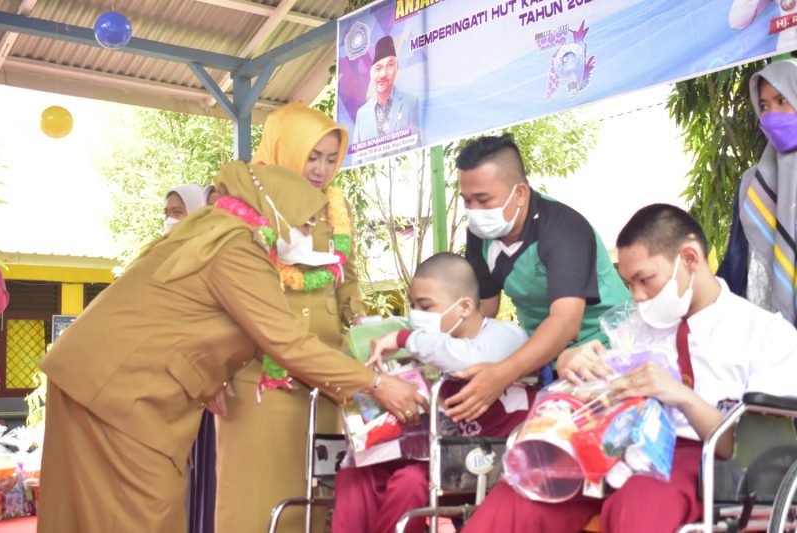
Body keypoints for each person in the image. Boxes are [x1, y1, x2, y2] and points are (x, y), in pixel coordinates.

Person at [36, 160, 425, 533]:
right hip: (119, 392)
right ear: (277, 210)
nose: (308, 235)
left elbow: (208, 321)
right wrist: (376, 384)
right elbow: (286, 342)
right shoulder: (237, 248)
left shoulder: (216, 230)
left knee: (93, 516)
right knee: (141, 514)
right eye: (305, 223)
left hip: (100, 381)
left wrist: (212, 380)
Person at [462, 203, 797, 533]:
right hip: (615, 450)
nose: (637, 296)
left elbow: (753, 454)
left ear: (690, 259)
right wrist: (572, 365)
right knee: (526, 488)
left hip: (705, 462)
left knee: (640, 499)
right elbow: (603, 404)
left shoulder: (767, 335)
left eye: (644, 279)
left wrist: (680, 395)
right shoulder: (632, 330)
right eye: (628, 284)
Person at [213, 102, 369, 533]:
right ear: (285, 148)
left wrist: (361, 327)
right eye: (311, 155)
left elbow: (346, 278)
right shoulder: (242, 201)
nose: (320, 169)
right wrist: (210, 372)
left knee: (319, 498)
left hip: (325, 380)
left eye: (330, 159)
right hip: (258, 381)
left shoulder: (333, 207)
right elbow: (214, 296)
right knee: (258, 503)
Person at [331, 252, 532, 533]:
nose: (416, 315)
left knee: (409, 482)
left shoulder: (508, 336)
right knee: (356, 475)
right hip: (428, 451)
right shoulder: (430, 344)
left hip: (482, 457)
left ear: (463, 306)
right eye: (413, 306)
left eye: (425, 306)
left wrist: (403, 338)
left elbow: (467, 359)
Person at [445, 134, 631, 423]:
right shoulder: (480, 235)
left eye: (483, 199)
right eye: (467, 201)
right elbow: (485, 311)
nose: (475, 212)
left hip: (605, 352)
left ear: (520, 193)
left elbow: (565, 322)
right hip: (544, 356)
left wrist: (503, 373)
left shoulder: (564, 229)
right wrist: (437, 343)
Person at [718, 59, 797, 325]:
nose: (772, 114)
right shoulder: (752, 183)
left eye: (782, 99)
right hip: (768, 337)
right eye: (764, 106)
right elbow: (736, 261)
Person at [351, 35, 421, 152]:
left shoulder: (410, 102)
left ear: (397, 67)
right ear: (371, 73)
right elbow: (357, 157)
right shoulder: (362, 114)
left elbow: (416, 147)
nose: (383, 74)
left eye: (389, 65)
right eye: (378, 68)